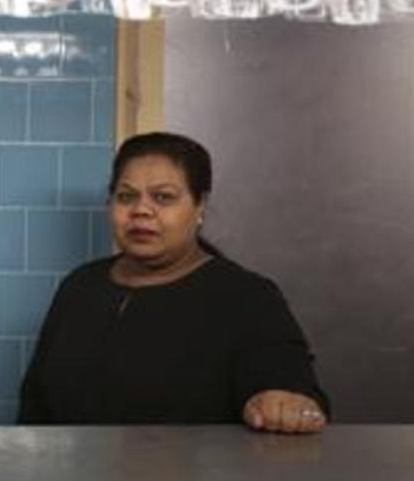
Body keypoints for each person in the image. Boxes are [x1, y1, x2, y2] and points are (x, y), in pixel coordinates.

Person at [18, 132, 329, 434]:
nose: (141, 210)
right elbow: (35, 406)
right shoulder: (80, 285)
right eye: (126, 196)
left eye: (163, 197)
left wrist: (285, 404)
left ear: (200, 206)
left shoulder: (247, 297)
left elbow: (295, 394)